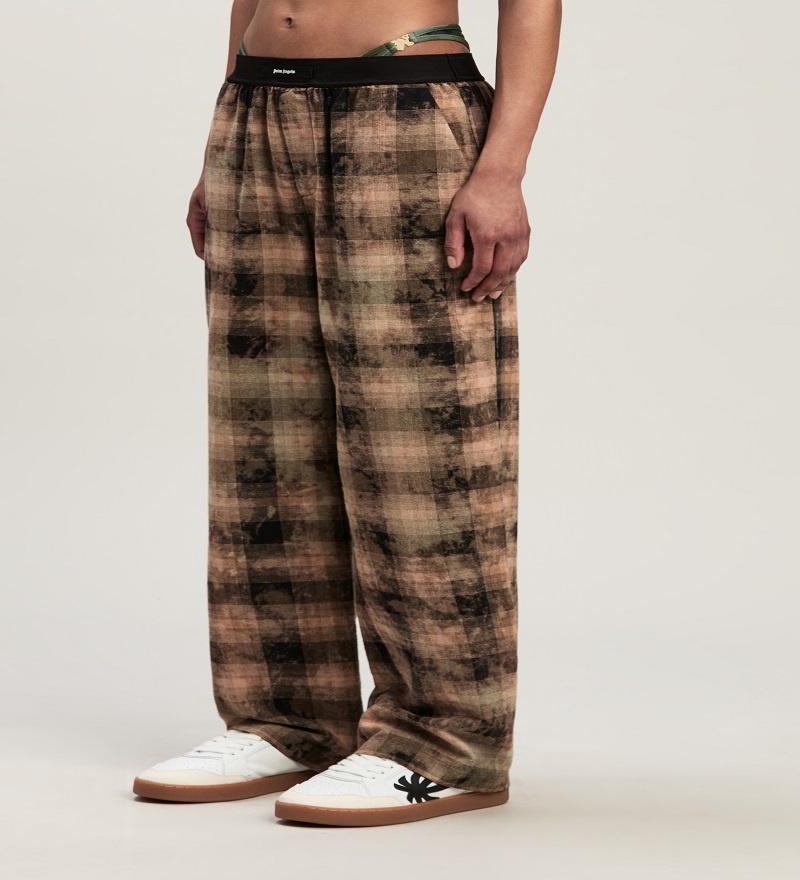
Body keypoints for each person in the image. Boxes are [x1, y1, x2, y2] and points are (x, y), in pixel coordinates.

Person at [133, 0, 561, 827]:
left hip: (403, 103)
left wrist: (501, 171)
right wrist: (224, 136)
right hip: (259, 107)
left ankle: (446, 743)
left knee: (423, 445)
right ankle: (287, 720)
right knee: (266, 442)